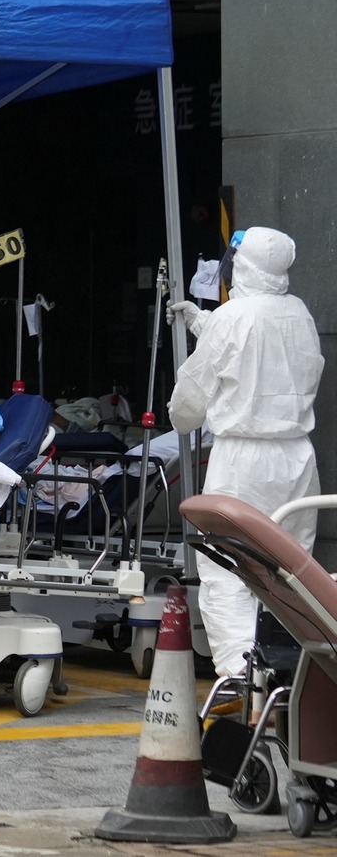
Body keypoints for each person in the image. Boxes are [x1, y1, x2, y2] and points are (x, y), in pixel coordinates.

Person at [167, 226, 324, 681]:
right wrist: (202, 322)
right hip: (297, 460)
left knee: (228, 566)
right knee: (291, 572)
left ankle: (240, 677)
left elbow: (191, 401)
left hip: (242, 462)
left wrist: (182, 416)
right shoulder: (299, 313)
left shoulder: (232, 317)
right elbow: (264, 350)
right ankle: (292, 674)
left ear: (243, 266)